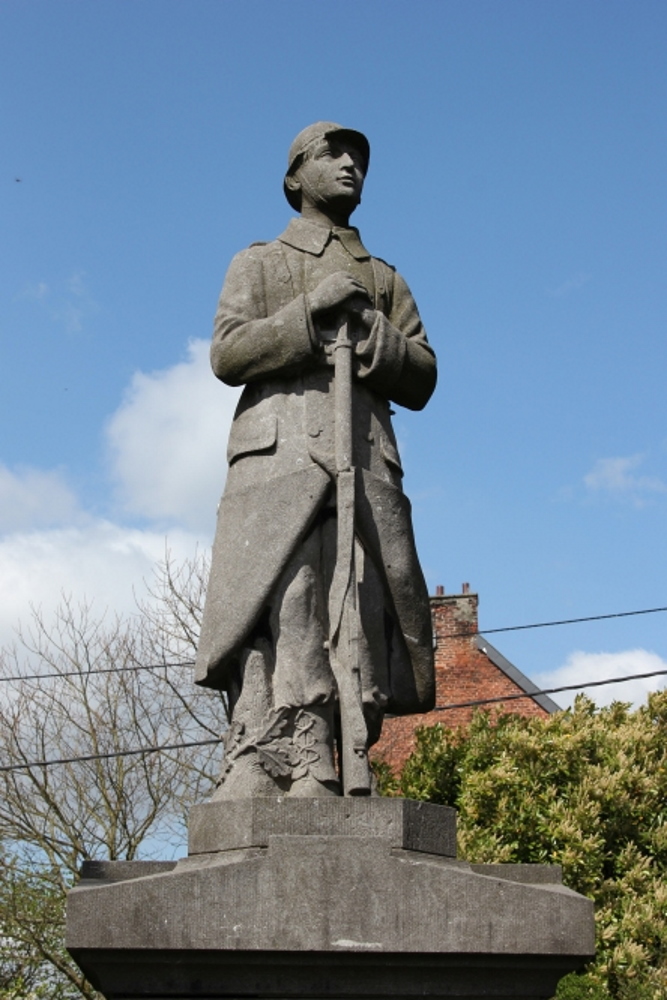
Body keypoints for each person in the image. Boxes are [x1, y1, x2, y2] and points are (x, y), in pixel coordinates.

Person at [195, 122, 437, 798]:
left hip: (360, 461)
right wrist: (309, 313)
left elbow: (421, 375)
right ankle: (260, 752)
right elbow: (229, 353)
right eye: (331, 154)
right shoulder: (261, 263)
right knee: (280, 599)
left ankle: (330, 747)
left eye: (358, 156)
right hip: (278, 461)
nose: (349, 164)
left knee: (359, 602)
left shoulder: (383, 279)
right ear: (294, 177)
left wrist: (373, 338)